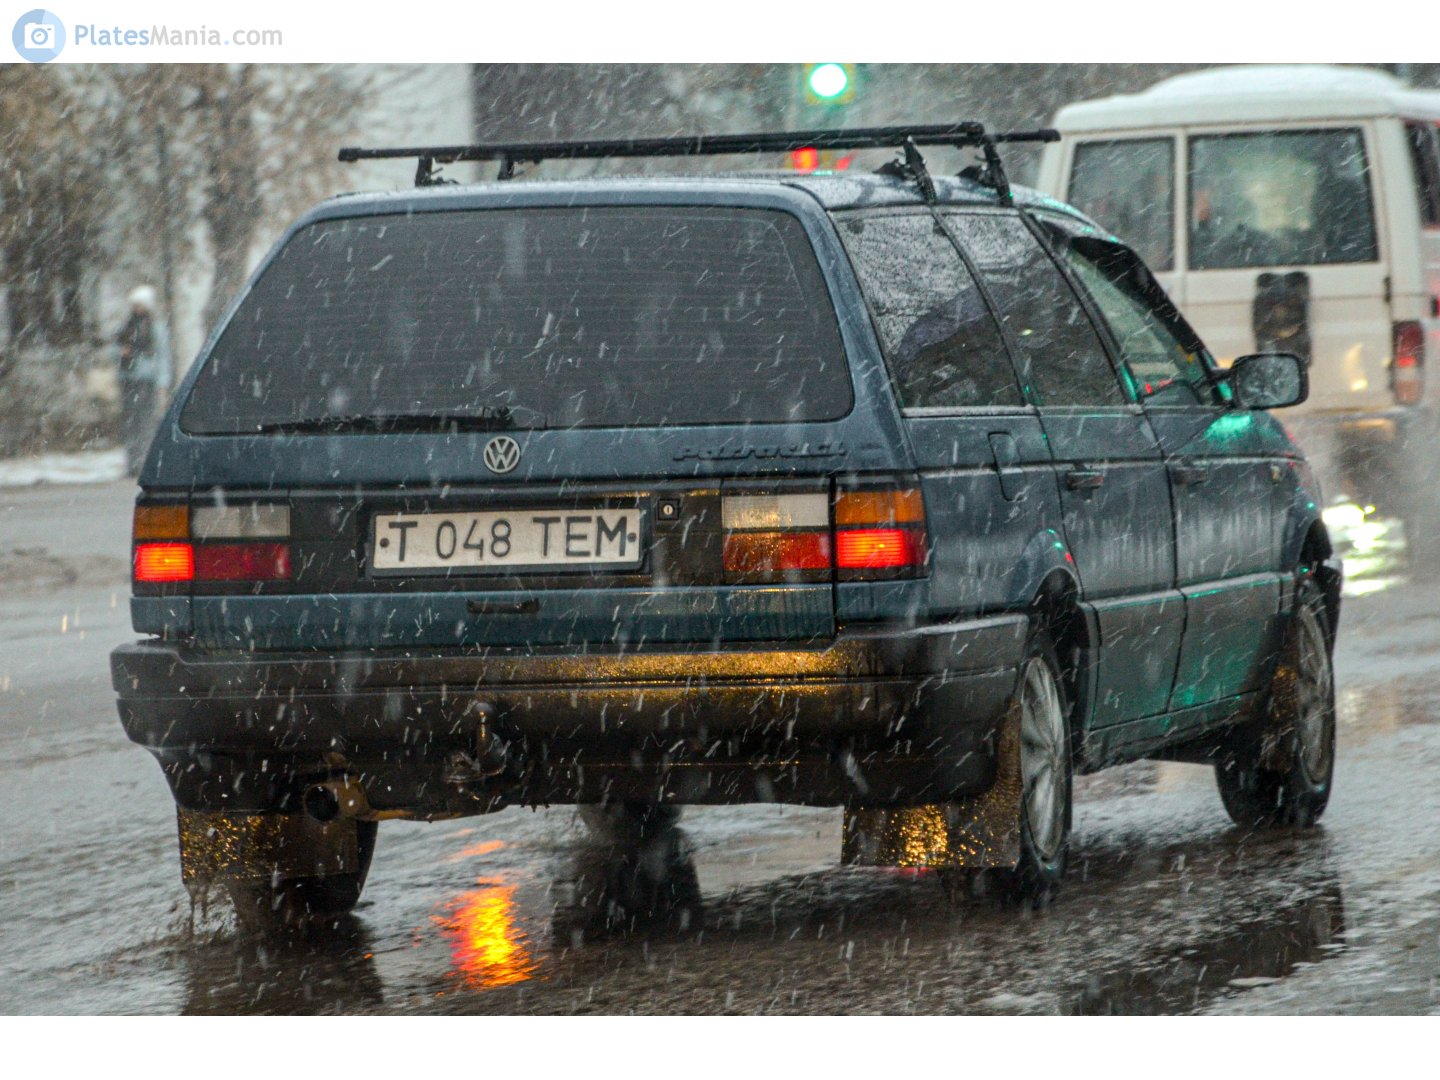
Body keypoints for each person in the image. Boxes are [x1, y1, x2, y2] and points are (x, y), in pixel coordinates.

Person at [115, 285, 172, 476]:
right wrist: (120, 354)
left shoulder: (155, 328)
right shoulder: (126, 327)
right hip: (128, 380)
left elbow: (163, 356)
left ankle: (146, 462)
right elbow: (113, 350)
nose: (137, 309)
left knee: (146, 422)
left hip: (147, 381)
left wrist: (163, 383)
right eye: (135, 305)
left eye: (140, 305)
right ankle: (132, 463)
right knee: (130, 423)